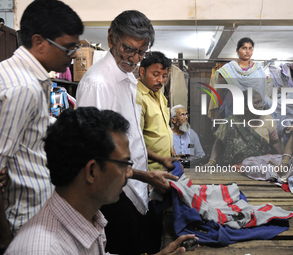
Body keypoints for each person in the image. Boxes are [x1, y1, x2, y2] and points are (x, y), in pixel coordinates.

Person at [4, 107, 196, 255]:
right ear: (92, 171)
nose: (129, 173)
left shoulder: (88, 219)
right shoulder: (45, 249)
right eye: (124, 164)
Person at [76, 11, 178, 254]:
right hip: (114, 194)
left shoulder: (126, 79)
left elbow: (130, 138)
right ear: (112, 38)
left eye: (141, 52)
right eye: (129, 49)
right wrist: (144, 176)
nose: (134, 58)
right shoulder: (99, 84)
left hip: (132, 188)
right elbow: (96, 154)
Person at [0, 0, 83, 252]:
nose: (75, 55)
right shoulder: (23, 88)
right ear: (39, 42)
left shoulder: (19, 76)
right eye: (69, 48)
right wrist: (5, 240)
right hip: (24, 220)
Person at [206, 90, 282, 167]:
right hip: (233, 169)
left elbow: (275, 143)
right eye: (257, 102)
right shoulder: (230, 122)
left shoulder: (268, 120)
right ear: (245, 106)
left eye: (261, 102)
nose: (261, 105)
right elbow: (218, 143)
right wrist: (211, 162)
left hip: (259, 169)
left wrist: (282, 162)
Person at [136, 51, 175, 171]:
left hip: (165, 166)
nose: (161, 80)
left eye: (164, 76)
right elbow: (135, 142)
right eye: (156, 74)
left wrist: (173, 155)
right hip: (149, 169)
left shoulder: (160, 96)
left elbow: (164, 129)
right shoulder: (137, 97)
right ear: (142, 72)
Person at [216, 37, 270, 118]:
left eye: (250, 48)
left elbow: (262, 91)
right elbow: (219, 93)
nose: (247, 51)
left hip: (253, 113)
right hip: (233, 111)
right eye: (244, 48)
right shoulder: (227, 70)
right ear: (237, 51)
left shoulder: (259, 70)